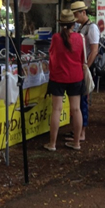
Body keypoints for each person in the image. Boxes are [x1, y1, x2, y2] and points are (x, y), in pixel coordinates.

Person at [44, 9, 84, 152]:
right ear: (73, 23)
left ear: (60, 24)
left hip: (58, 77)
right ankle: (77, 143)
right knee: (76, 109)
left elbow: (52, 55)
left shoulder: (56, 38)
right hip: (76, 76)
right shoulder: (79, 38)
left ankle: (52, 144)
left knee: (56, 109)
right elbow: (82, 58)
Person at [70, 0, 100, 142]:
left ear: (83, 13)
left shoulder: (92, 28)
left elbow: (94, 50)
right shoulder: (80, 27)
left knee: (83, 100)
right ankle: (78, 129)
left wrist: (86, 66)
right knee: (79, 100)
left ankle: (82, 132)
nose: (75, 17)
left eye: (76, 14)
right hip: (80, 66)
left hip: (85, 66)